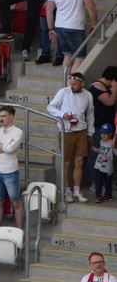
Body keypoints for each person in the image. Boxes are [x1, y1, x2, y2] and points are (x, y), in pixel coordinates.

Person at [49, 72, 96, 203]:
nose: (72, 86)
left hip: (81, 131)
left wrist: (90, 133)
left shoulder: (88, 95)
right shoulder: (63, 92)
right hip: (66, 131)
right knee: (66, 162)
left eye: (75, 84)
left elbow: (90, 114)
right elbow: (50, 107)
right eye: (71, 83)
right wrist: (62, 114)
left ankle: (76, 190)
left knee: (79, 161)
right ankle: (66, 191)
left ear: (82, 83)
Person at [46, 0, 96, 74]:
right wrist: (94, 23)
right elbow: (91, 6)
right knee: (79, 58)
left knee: (67, 56)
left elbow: (49, 10)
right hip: (75, 27)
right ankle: (72, 86)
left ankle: (66, 86)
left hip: (59, 27)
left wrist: (50, 29)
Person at [0, 106, 25, 226]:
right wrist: (3, 146)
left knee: (16, 203)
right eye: (0, 116)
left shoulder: (18, 132)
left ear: (11, 117)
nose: (1, 118)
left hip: (10, 171)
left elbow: (10, 149)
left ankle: (20, 232)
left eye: (4, 116)